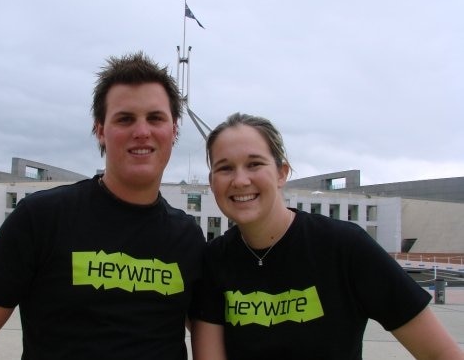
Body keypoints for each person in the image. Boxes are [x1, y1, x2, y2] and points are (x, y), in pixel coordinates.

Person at [0, 52, 206, 359]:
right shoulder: (41, 218)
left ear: (174, 129)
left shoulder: (188, 237)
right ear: (100, 130)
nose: (142, 131)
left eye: (155, 118)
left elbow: (211, 334)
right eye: (125, 118)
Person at [191, 113, 463, 360]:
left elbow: (440, 352)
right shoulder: (215, 260)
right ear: (212, 181)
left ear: (281, 173)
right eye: (225, 168)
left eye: (254, 164)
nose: (240, 180)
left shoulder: (345, 247)